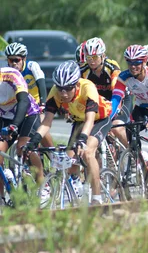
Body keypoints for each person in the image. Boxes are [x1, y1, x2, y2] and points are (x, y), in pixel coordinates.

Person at [26, 61, 112, 206]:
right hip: (79, 121)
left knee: (87, 152)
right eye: (60, 89)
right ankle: (77, 193)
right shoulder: (55, 93)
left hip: (99, 119)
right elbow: (47, 121)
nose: (64, 94)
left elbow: (90, 120)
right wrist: (34, 140)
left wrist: (83, 139)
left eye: (68, 89)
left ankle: (97, 198)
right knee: (70, 162)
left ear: (76, 85)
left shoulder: (87, 87)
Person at [110, 45, 148, 196]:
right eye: (130, 62)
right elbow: (115, 99)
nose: (133, 66)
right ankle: (145, 174)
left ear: (144, 62)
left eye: (137, 62)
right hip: (141, 107)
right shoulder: (124, 77)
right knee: (131, 136)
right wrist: (108, 117)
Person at [0, 67, 44, 204]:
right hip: (5, 117)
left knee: (23, 147)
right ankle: (2, 199)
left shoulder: (12, 75)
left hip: (27, 114)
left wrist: (14, 126)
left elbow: (23, 101)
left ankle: (43, 183)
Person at [80, 37, 129, 146]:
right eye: (88, 57)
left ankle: (135, 154)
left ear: (103, 56)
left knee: (116, 127)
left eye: (95, 57)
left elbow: (116, 92)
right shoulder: (84, 71)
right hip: (100, 103)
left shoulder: (111, 67)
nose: (91, 61)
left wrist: (112, 115)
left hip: (119, 99)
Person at [4, 42, 53, 148]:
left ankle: (52, 153)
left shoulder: (32, 66)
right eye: (10, 60)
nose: (13, 63)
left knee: (41, 128)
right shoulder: (7, 72)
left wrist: (43, 103)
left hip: (35, 106)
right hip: (19, 107)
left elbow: (41, 83)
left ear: (24, 58)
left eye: (16, 60)